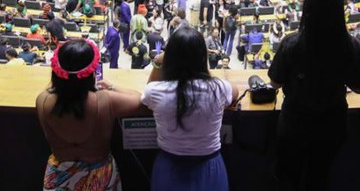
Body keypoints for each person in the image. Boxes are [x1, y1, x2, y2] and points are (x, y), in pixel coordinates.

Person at [268, 0, 360, 190]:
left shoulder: (292, 44)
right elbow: (359, 87)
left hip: (295, 125)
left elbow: (275, 83)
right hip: (332, 126)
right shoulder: (352, 46)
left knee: (288, 179)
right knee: (319, 179)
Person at [37, 39, 144, 190]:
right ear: (92, 72)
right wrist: (112, 86)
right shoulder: (106, 100)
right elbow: (141, 99)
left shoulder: (42, 100)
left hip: (58, 177)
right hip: (99, 177)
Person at [142, 27, 238, 191]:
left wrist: (158, 63)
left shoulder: (155, 91)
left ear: (169, 58)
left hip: (169, 168)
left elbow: (147, 92)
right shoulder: (219, 88)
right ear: (203, 58)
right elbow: (234, 93)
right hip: (210, 169)